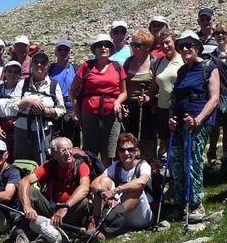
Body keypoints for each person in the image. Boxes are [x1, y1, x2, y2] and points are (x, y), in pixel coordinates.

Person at [169, 30, 220, 223]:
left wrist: (198, 119)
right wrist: (172, 119)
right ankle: (181, 202)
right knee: (178, 162)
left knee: (193, 160)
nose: (185, 49)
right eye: (181, 46)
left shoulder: (209, 67)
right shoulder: (182, 71)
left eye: (189, 45)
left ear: (197, 47)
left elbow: (214, 98)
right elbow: (175, 98)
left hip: (199, 122)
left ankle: (196, 203)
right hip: (181, 122)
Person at [10, 137, 91, 243]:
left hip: (69, 210)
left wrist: (65, 207)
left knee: (83, 202)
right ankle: (24, 235)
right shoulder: (50, 166)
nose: (68, 153)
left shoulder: (81, 165)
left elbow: (84, 188)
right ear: (54, 154)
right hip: (51, 208)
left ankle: (48, 233)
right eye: (63, 150)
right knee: (31, 191)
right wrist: (27, 206)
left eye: (70, 149)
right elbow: (24, 181)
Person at [69, 34, 127, 167]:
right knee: (90, 151)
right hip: (89, 113)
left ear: (111, 49)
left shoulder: (117, 67)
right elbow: (72, 90)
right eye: (99, 45)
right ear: (94, 49)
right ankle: (89, 179)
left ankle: (106, 180)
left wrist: (118, 102)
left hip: (111, 113)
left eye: (106, 45)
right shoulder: (87, 66)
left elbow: (124, 92)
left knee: (109, 150)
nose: (103, 47)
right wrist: (77, 112)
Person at [89, 133, 153, 238]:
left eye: (130, 149)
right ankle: (95, 223)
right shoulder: (116, 166)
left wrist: (115, 191)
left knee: (136, 188)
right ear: (118, 152)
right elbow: (94, 183)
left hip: (141, 216)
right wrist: (104, 194)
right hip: (121, 211)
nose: (126, 153)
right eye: (122, 150)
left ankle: (108, 225)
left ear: (136, 151)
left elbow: (141, 182)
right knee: (104, 181)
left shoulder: (143, 165)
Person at [10, 52, 65, 163]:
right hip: (22, 129)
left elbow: (61, 109)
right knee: (21, 161)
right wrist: (28, 101)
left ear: (47, 66)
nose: (39, 65)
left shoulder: (54, 85)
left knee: (42, 160)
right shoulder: (22, 84)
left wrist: (46, 111)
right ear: (31, 65)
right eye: (36, 62)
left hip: (44, 129)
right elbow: (11, 107)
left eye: (43, 62)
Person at [147, 28, 184, 159]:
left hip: (179, 107)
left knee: (178, 141)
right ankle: (167, 169)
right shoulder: (158, 62)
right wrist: (147, 97)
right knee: (165, 139)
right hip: (162, 108)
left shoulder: (183, 60)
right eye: (161, 44)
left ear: (174, 42)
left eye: (168, 42)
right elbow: (155, 86)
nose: (165, 46)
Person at [122, 29, 158, 160]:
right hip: (130, 106)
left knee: (147, 138)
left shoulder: (154, 63)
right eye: (132, 45)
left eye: (138, 45)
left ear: (147, 47)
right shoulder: (128, 62)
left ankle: (148, 164)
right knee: (130, 138)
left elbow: (157, 85)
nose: (134, 48)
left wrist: (150, 97)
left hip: (147, 106)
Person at [207, 22, 227, 173]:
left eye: (224, 33)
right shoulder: (214, 55)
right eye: (217, 33)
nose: (221, 36)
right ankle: (213, 152)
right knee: (216, 126)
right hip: (220, 93)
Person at [48, 39, 80, 146]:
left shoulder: (75, 69)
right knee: (55, 141)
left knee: (72, 141)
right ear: (56, 52)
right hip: (55, 108)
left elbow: (80, 90)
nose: (63, 52)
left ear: (70, 52)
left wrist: (77, 112)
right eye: (60, 49)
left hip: (70, 108)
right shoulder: (50, 69)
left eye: (66, 49)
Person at [0, 60, 22, 161]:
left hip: (19, 124)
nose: (12, 74)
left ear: (19, 75)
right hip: (3, 125)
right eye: (9, 71)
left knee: (17, 152)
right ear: (5, 73)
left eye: (15, 72)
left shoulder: (22, 89)